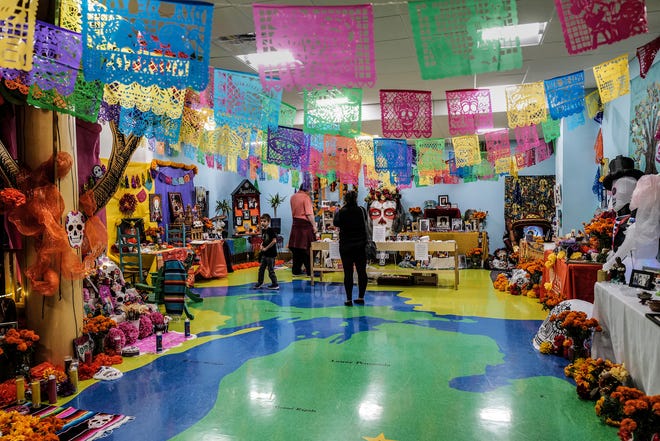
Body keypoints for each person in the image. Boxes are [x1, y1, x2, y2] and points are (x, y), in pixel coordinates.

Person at [333, 190, 368, 306]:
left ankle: (348, 299)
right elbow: (366, 222)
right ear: (356, 198)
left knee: (348, 272)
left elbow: (336, 223)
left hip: (346, 246)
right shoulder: (362, 211)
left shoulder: (341, 212)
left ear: (345, 199)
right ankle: (361, 297)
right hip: (361, 246)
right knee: (361, 272)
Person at [288, 182, 317, 276]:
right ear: (307, 189)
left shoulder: (293, 197)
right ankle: (309, 271)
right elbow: (309, 214)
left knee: (296, 249)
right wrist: (314, 226)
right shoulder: (306, 197)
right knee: (307, 249)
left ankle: (296, 270)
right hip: (305, 226)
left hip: (295, 224)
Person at [253, 214, 279, 290]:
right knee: (261, 269)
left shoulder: (271, 230)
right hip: (265, 254)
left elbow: (274, 241)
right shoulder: (264, 231)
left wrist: (266, 248)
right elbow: (264, 240)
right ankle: (260, 282)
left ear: (268, 222)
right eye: (261, 221)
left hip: (271, 254)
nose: (262, 223)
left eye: (264, 221)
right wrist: (261, 245)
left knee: (270, 270)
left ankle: (275, 284)